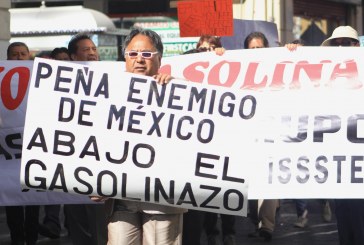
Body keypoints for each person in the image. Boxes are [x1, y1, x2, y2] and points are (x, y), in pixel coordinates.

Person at [96, 28, 186, 245]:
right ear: (124, 58)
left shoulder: (176, 91)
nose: (139, 60)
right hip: (120, 199)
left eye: (146, 54)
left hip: (162, 201)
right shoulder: (106, 93)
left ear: (159, 58)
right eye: (133, 54)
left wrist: (176, 87)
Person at [63, 33, 108, 245]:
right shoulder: (60, 82)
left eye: (93, 49)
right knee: (77, 219)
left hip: (102, 161)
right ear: (72, 56)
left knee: (101, 222)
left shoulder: (111, 76)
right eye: (85, 49)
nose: (92, 53)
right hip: (73, 162)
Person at [321, 25, 363, 245]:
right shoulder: (326, 74)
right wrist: (293, 53)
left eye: (345, 43)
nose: (340, 48)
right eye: (335, 44)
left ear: (356, 46)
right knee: (346, 226)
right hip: (341, 164)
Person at [243, 32, 280, 242]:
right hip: (247, 135)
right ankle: (259, 219)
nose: (256, 53)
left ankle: (267, 225)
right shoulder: (237, 69)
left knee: (269, 179)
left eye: (260, 49)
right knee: (252, 186)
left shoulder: (277, 67)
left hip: (271, 133)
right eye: (252, 49)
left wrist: (293, 51)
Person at [6, 42, 40, 245]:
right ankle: (17, 239)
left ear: (28, 56)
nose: (19, 58)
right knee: (12, 203)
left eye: (22, 54)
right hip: (9, 152)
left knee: (34, 203)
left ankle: (32, 239)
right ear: (8, 57)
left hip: (33, 149)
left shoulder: (38, 79)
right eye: (14, 55)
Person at [37, 47, 70, 240]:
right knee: (54, 184)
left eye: (66, 59)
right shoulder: (45, 84)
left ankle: (68, 223)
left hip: (78, 144)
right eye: (59, 60)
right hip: (54, 142)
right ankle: (53, 223)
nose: (63, 63)